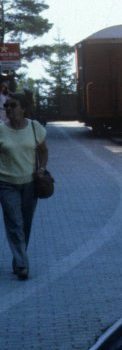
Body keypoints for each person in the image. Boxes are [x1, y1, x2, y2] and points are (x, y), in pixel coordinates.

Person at [0, 94, 47, 280]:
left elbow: (43, 151)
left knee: (26, 224)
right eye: (6, 106)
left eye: (13, 105)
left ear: (23, 108)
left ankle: (17, 258)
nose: (9, 109)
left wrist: (41, 169)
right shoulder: (1, 130)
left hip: (29, 184)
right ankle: (22, 264)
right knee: (15, 224)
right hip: (5, 184)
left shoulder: (35, 128)